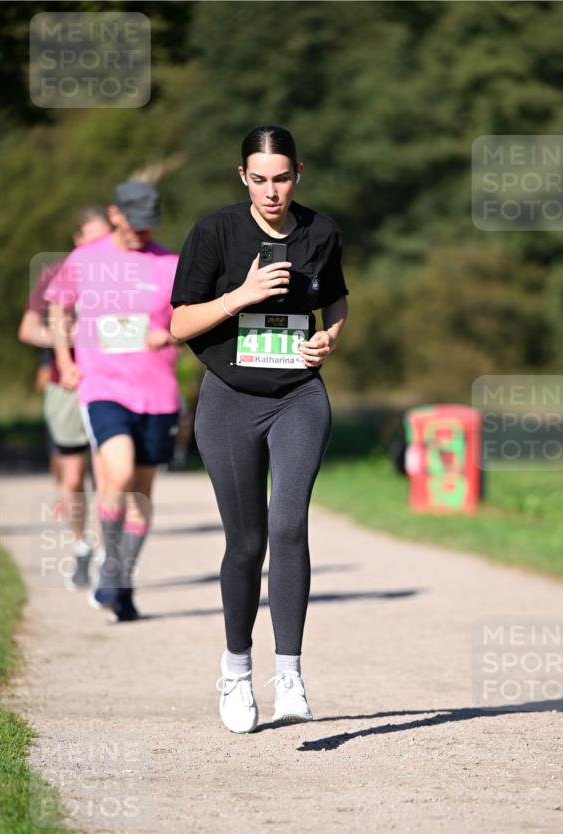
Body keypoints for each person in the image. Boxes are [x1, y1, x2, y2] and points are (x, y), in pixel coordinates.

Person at [170, 124, 349, 733]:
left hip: (299, 395)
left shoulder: (320, 231)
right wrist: (240, 295)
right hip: (228, 401)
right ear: (242, 177)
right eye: (259, 179)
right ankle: (236, 671)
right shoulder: (215, 232)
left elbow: (338, 302)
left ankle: (291, 674)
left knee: (288, 523)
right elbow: (178, 324)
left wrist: (328, 338)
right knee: (246, 545)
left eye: (282, 178)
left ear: (299, 174)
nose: (271, 192)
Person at [45, 181, 181, 621]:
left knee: (140, 493)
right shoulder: (85, 259)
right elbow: (58, 307)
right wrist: (64, 360)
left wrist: (171, 333)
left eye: (149, 226)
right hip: (103, 386)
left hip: (157, 392)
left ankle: (122, 579)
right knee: (117, 471)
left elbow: (191, 319)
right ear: (115, 213)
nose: (142, 233)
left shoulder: (170, 264)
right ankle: (110, 565)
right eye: (135, 223)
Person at [18, 208, 111, 587]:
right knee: (72, 479)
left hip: (110, 382)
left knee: (109, 474)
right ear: (77, 241)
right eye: (94, 239)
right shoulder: (55, 275)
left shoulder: (121, 276)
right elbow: (29, 330)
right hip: (67, 383)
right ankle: (80, 546)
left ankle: (108, 555)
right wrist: (67, 338)